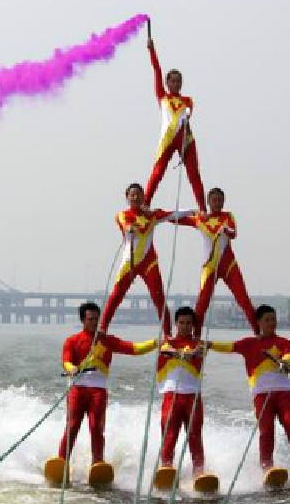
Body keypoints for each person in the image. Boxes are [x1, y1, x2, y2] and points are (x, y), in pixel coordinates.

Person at [209, 305, 290, 470]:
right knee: (266, 431)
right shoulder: (249, 343)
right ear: (259, 323)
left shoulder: (284, 342)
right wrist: (209, 344)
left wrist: (285, 362)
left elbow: (288, 356)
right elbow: (228, 347)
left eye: (273, 319)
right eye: (267, 320)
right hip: (261, 396)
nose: (271, 323)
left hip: (284, 393)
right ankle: (267, 467)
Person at [59, 302, 157, 465]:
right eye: (90, 319)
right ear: (82, 320)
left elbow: (134, 349)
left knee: (96, 427)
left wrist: (155, 343)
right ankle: (62, 461)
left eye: (96, 319)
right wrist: (71, 368)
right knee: (72, 426)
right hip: (77, 389)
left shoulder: (107, 341)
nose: (94, 322)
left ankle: (97, 462)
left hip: (98, 390)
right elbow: (66, 361)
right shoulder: (72, 341)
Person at [100, 183, 196, 336]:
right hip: (129, 263)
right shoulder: (123, 215)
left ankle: (167, 335)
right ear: (127, 198)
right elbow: (125, 224)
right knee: (116, 295)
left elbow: (173, 214)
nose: (136, 197)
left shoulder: (152, 215)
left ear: (144, 197)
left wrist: (195, 211)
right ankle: (102, 329)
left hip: (149, 263)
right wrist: (130, 228)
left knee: (159, 298)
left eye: (139, 194)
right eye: (132, 195)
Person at [168, 187, 258, 335]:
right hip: (209, 267)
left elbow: (234, 234)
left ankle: (258, 333)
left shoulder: (228, 216)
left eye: (219, 200)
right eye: (214, 200)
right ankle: (196, 337)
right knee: (202, 304)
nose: (217, 203)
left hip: (229, 266)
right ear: (208, 202)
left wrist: (225, 230)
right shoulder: (201, 219)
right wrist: (193, 211)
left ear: (223, 202)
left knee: (243, 300)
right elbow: (173, 218)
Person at [144, 37, 205, 210]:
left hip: (185, 139)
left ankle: (202, 209)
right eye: (173, 81)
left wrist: (188, 113)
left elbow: (189, 112)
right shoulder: (162, 97)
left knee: (194, 174)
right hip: (168, 139)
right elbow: (157, 70)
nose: (176, 84)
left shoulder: (187, 100)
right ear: (167, 83)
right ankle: (146, 204)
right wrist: (151, 50)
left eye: (179, 81)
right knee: (158, 171)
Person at [156, 306, 213, 477]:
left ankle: (199, 473)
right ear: (176, 324)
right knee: (169, 435)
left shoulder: (199, 344)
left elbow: (200, 352)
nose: (185, 326)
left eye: (188, 323)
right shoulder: (168, 343)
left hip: (193, 397)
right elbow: (164, 350)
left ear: (193, 325)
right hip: (171, 395)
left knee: (195, 437)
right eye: (181, 323)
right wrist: (179, 354)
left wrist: (192, 354)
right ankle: (166, 468)